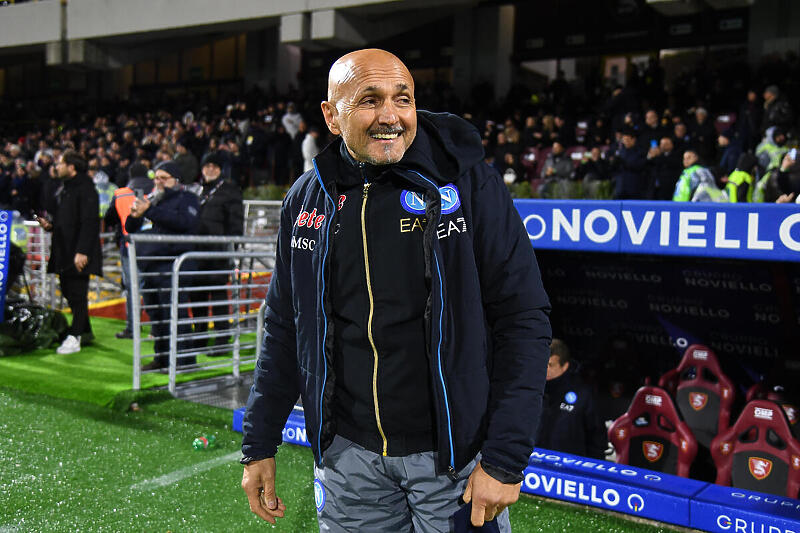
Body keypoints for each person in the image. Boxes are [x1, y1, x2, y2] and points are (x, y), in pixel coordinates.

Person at [240, 48, 552, 532]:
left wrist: (506, 458)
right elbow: (285, 325)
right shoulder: (305, 199)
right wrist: (259, 443)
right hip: (348, 461)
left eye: (401, 99)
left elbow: (524, 317)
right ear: (332, 116)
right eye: (369, 100)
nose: (391, 116)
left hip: (454, 461)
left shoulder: (467, 182)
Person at [125, 160, 199, 370]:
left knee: (175, 314)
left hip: (175, 264)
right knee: (156, 315)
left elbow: (185, 223)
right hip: (152, 265)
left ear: (175, 180)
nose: (158, 182)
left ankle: (183, 361)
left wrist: (150, 210)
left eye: (163, 178)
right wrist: (134, 215)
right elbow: (131, 227)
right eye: (156, 178)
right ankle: (162, 358)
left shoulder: (188, 199)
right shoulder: (152, 200)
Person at [38, 150, 102, 355]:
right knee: (68, 290)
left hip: (77, 250)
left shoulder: (86, 189)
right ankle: (86, 330)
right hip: (64, 249)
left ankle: (75, 337)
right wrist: (51, 226)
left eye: (61, 162)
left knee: (77, 292)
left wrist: (82, 251)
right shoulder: (65, 188)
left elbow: (90, 222)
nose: (57, 166)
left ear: (71, 167)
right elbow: (66, 219)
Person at [189, 152, 243, 354]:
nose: (210, 169)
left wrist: (232, 249)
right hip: (197, 253)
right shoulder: (198, 190)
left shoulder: (229, 190)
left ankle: (222, 338)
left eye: (214, 166)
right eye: (206, 166)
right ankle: (200, 336)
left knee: (219, 296)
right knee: (197, 296)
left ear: (220, 170)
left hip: (218, 253)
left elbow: (236, 223)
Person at [103, 162, 154, 339]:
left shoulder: (121, 193)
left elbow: (109, 218)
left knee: (133, 289)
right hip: (156, 246)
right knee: (153, 287)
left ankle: (133, 328)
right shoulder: (157, 190)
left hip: (129, 247)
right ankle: (156, 329)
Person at [535, 339, 606, 460]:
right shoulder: (530, 388)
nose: (544, 368)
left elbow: (597, 438)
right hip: (533, 465)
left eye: (550, 365)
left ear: (565, 366)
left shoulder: (583, 394)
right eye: (542, 363)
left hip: (568, 470)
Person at [610, 127, 647, 199]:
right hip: (620, 187)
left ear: (633, 140)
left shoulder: (640, 152)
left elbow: (639, 166)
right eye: (624, 140)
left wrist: (624, 162)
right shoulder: (620, 151)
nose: (625, 142)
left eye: (627, 140)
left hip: (634, 187)